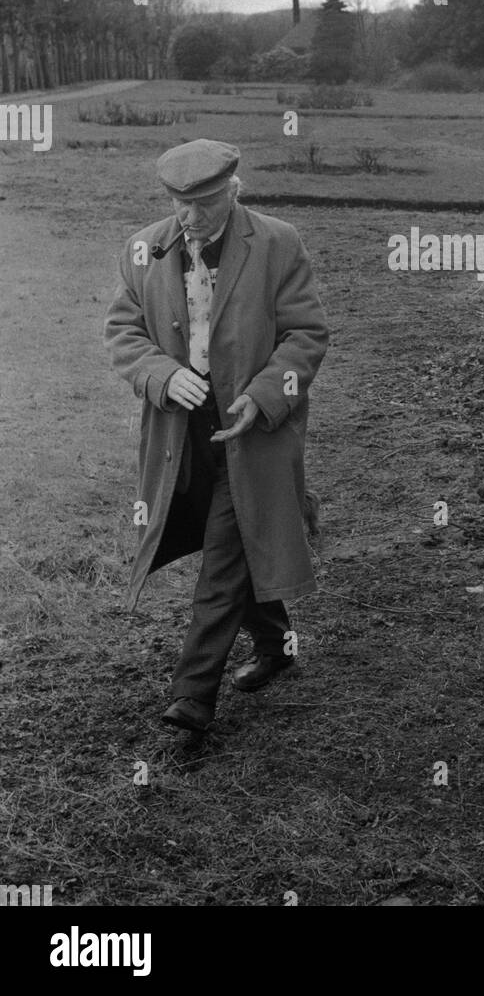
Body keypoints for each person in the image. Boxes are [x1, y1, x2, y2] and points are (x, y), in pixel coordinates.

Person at [104, 138, 329, 732]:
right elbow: (123, 332)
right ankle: (277, 644)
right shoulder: (143, 249)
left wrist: (262, 398)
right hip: (178, 429)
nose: (189, 217)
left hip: (252, 428)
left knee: (226, 551)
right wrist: (162, 373)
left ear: (233, 190)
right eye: (179, 202)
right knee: (231, 532)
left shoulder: (278, 242)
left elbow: (305, 336)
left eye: (203, 202)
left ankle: (193, 695)